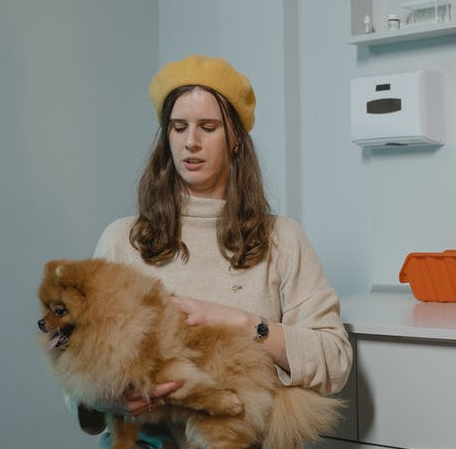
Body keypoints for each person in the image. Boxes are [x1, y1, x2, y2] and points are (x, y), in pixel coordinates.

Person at [76, 54, 352, 448]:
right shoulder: (123, 239)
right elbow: (78, 363)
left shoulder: (282, 239)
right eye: (178, 127)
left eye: (208, 127)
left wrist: (242, 323)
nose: (191, 142)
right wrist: (111, 398)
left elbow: (334, 359)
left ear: (235, 137)